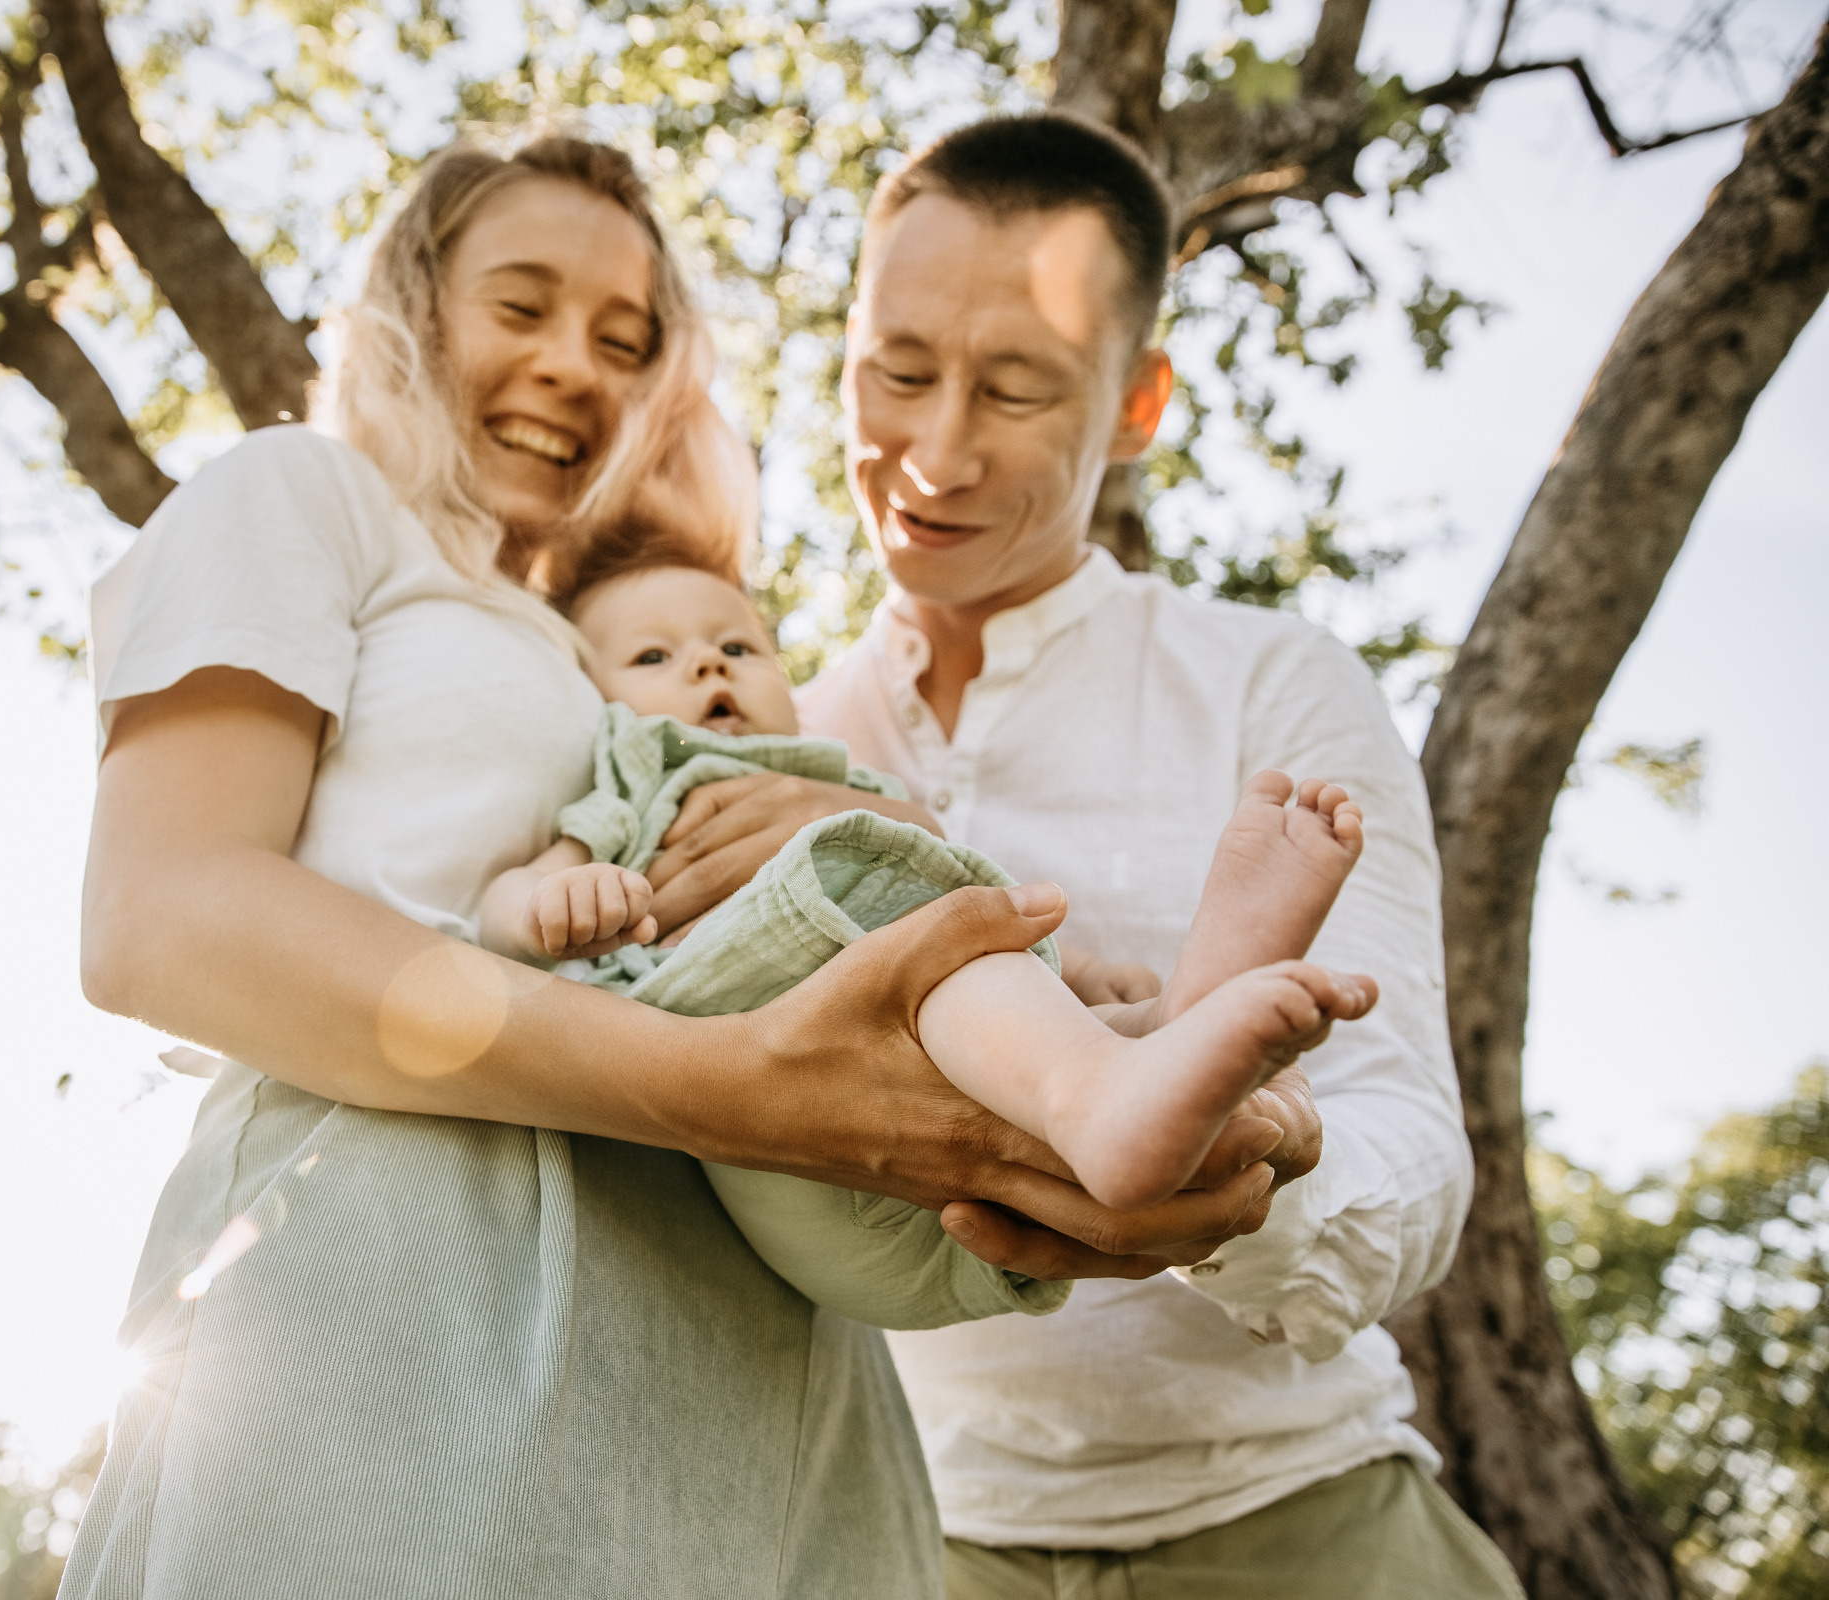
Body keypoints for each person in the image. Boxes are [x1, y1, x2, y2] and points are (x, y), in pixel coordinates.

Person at [58, 131, 1296, 1600]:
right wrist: (729, 1087)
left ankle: (1146, 1080)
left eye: (623, 337)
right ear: (408, 307)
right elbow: (163, 917)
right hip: (417, 1290)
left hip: (757, 1349)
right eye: (522, 307)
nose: (578, 364)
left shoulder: (613, 635)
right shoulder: (302, 496)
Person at [635, 112, 1516, 1596]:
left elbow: (1411, 1154)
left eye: (1018, 388)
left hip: (1303, 1522)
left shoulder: (1272, 688)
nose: (935, 448)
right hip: (912, 1545)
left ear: (1135, 405)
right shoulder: (755, 730)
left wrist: (1247, 1182)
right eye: (897, 371)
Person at [480, 547, 1376, 1232]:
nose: (710, 668)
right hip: (767, 1101)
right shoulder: (637, 785)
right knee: (943, 964)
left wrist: (1085, 970)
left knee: (975, 963)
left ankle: (1169, 1020)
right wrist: (555, 903)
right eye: (653, 657)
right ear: (593, 703)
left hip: (935, 1108)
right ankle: (1103, 1094)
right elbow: (509, 898)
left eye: (736, 646)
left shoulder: (841, 776)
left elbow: (971, 910)